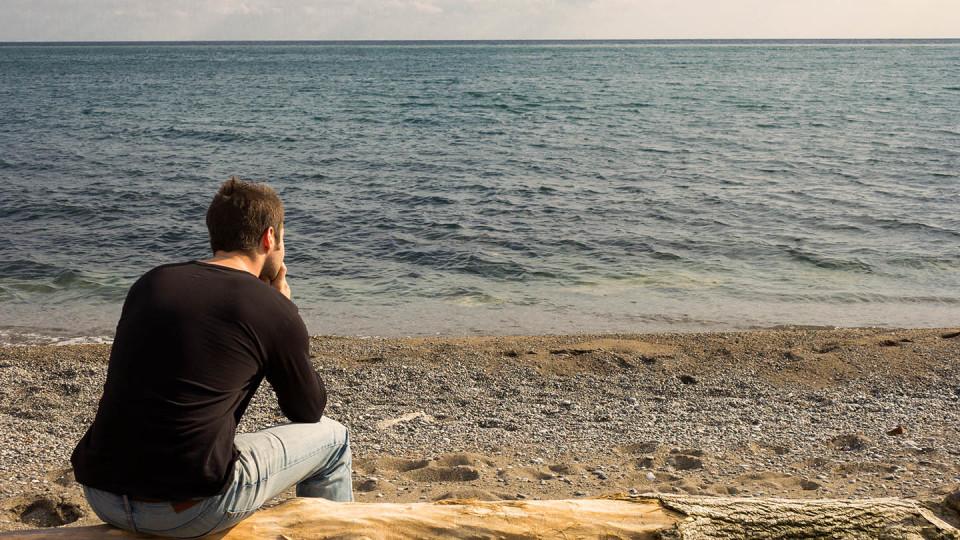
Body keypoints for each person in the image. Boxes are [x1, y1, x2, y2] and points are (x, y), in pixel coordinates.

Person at [70, 177, 352, 538]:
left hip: (103, 493)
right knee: (334, 438)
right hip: (188, 509)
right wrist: (283, 310)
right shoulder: (270, 308)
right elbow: (307, 411)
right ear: (269, 238)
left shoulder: (152, 282)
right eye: (283, 239)